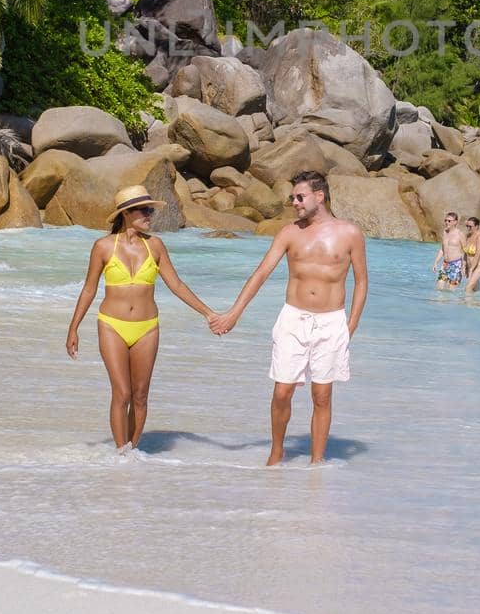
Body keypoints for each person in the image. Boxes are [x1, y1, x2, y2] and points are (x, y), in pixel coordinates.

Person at [209, 170, 367, 466]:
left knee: (322, 396)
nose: (294, 202)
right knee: (282, 391)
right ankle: (276, 453)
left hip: (332, 321)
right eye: (293, 197)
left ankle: (316, 462)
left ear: (319, 197)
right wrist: (234, 313)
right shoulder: (289, 233)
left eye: (299, 196)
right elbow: (261, 273)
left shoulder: (349, 233)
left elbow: (361, 282)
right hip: (293, 319)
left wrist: (351, 325)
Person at [65, 184, 217, 453]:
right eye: (144, 210)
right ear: (126, 213)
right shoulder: (102, 247)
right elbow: (89, 288)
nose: (150, 215)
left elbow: (177, 285)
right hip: (112, 325)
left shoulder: (155, 246)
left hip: (147, 328)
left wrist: (208, 313)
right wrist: (73, 328)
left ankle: (133, 454)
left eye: (150, 209)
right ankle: (121, 452)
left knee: (140, 396)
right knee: (121, 393)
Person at [433, 210, 467, 289]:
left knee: (451, 291)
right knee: (439, 288)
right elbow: (442, 249)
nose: (446, 222)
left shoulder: (460, 234)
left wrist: (464, 266)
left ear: (455, 222)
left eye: (449, 221)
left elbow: (465, 251)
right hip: (445, 264)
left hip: (456, 264)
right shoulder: (445, 232)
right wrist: (436, 262)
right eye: (445, 220)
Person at [463, 215, 480, 293]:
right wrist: (465, 266)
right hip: (471, 266)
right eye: (467, 226)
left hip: (479, 266)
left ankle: (468, 304)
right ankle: (477, 304)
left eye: (470, 226)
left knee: (468, 288)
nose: (468, 228)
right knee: (475, 289)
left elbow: (477, 254)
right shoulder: (467, 236)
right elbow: (465, 254)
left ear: (476, 226)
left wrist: (471, 269)